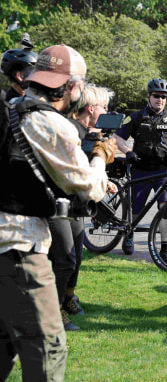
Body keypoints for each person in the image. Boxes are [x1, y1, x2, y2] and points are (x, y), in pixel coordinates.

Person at [0, 44, 115, 381]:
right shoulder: (51, 123)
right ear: (72, 87)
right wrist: (101, 156)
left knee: (4, 343)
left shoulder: (11, 110)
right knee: (48, 349)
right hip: (19, 247)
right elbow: (89, 188)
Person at [48, 85, 114, 332]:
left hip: (73, 204)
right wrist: (100, 157)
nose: (108, 112)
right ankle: (53, 314)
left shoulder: (88, 132)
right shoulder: (71, 131)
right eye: (104, 107)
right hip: (54, 203)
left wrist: (105, 182)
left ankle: (67, 300)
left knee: (74, 258)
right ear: (91, 108)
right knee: (64, 259)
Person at [114, 78, 167, 257]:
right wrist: (128, 151)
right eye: (156, 96)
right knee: (135, 210)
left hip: (164, 172)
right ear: (149, 96)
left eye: (164, 97)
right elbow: (118, 137)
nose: (160, 99)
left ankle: (165, 247)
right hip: (140, 170)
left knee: (166, 208)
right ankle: (128, 235)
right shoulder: (136, 117)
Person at [1, 33, 37, 101]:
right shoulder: (11, 105)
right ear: (19, 76)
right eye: (33, 71)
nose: (37, 77)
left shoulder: (7, 102)